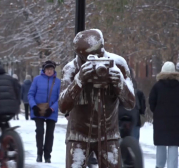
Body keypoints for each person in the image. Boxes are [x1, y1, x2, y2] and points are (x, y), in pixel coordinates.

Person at [59, 29, 135, 168]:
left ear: (102, 49)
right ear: (79, 56)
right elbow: (63, 106)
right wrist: (79, 81)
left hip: (108, 134)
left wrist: (120, 84)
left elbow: (130, 103)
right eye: (88, 58)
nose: (95, 62)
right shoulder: (71, 69)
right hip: (78, 134)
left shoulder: (117, 65)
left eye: (98, 56)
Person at [28, 60, 61, 163]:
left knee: (50, 133)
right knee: (40, 131)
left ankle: (47, 155)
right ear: (44, 69)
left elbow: (60, 97)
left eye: (51, 69)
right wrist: (34, 106)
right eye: (47, 69)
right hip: (38, 110)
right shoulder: (37, 79)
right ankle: (39, 153)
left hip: (51, 111)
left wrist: (52, 108)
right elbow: (30, 94)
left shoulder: (58, 81)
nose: (49, 71)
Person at [149, 61, 179, 168]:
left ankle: (159, 166)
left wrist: (158, 112)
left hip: (160, 122)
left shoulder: (157, 87)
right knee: (173, 146)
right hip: (176, 123)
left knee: (160, 146)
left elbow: (152, 103)